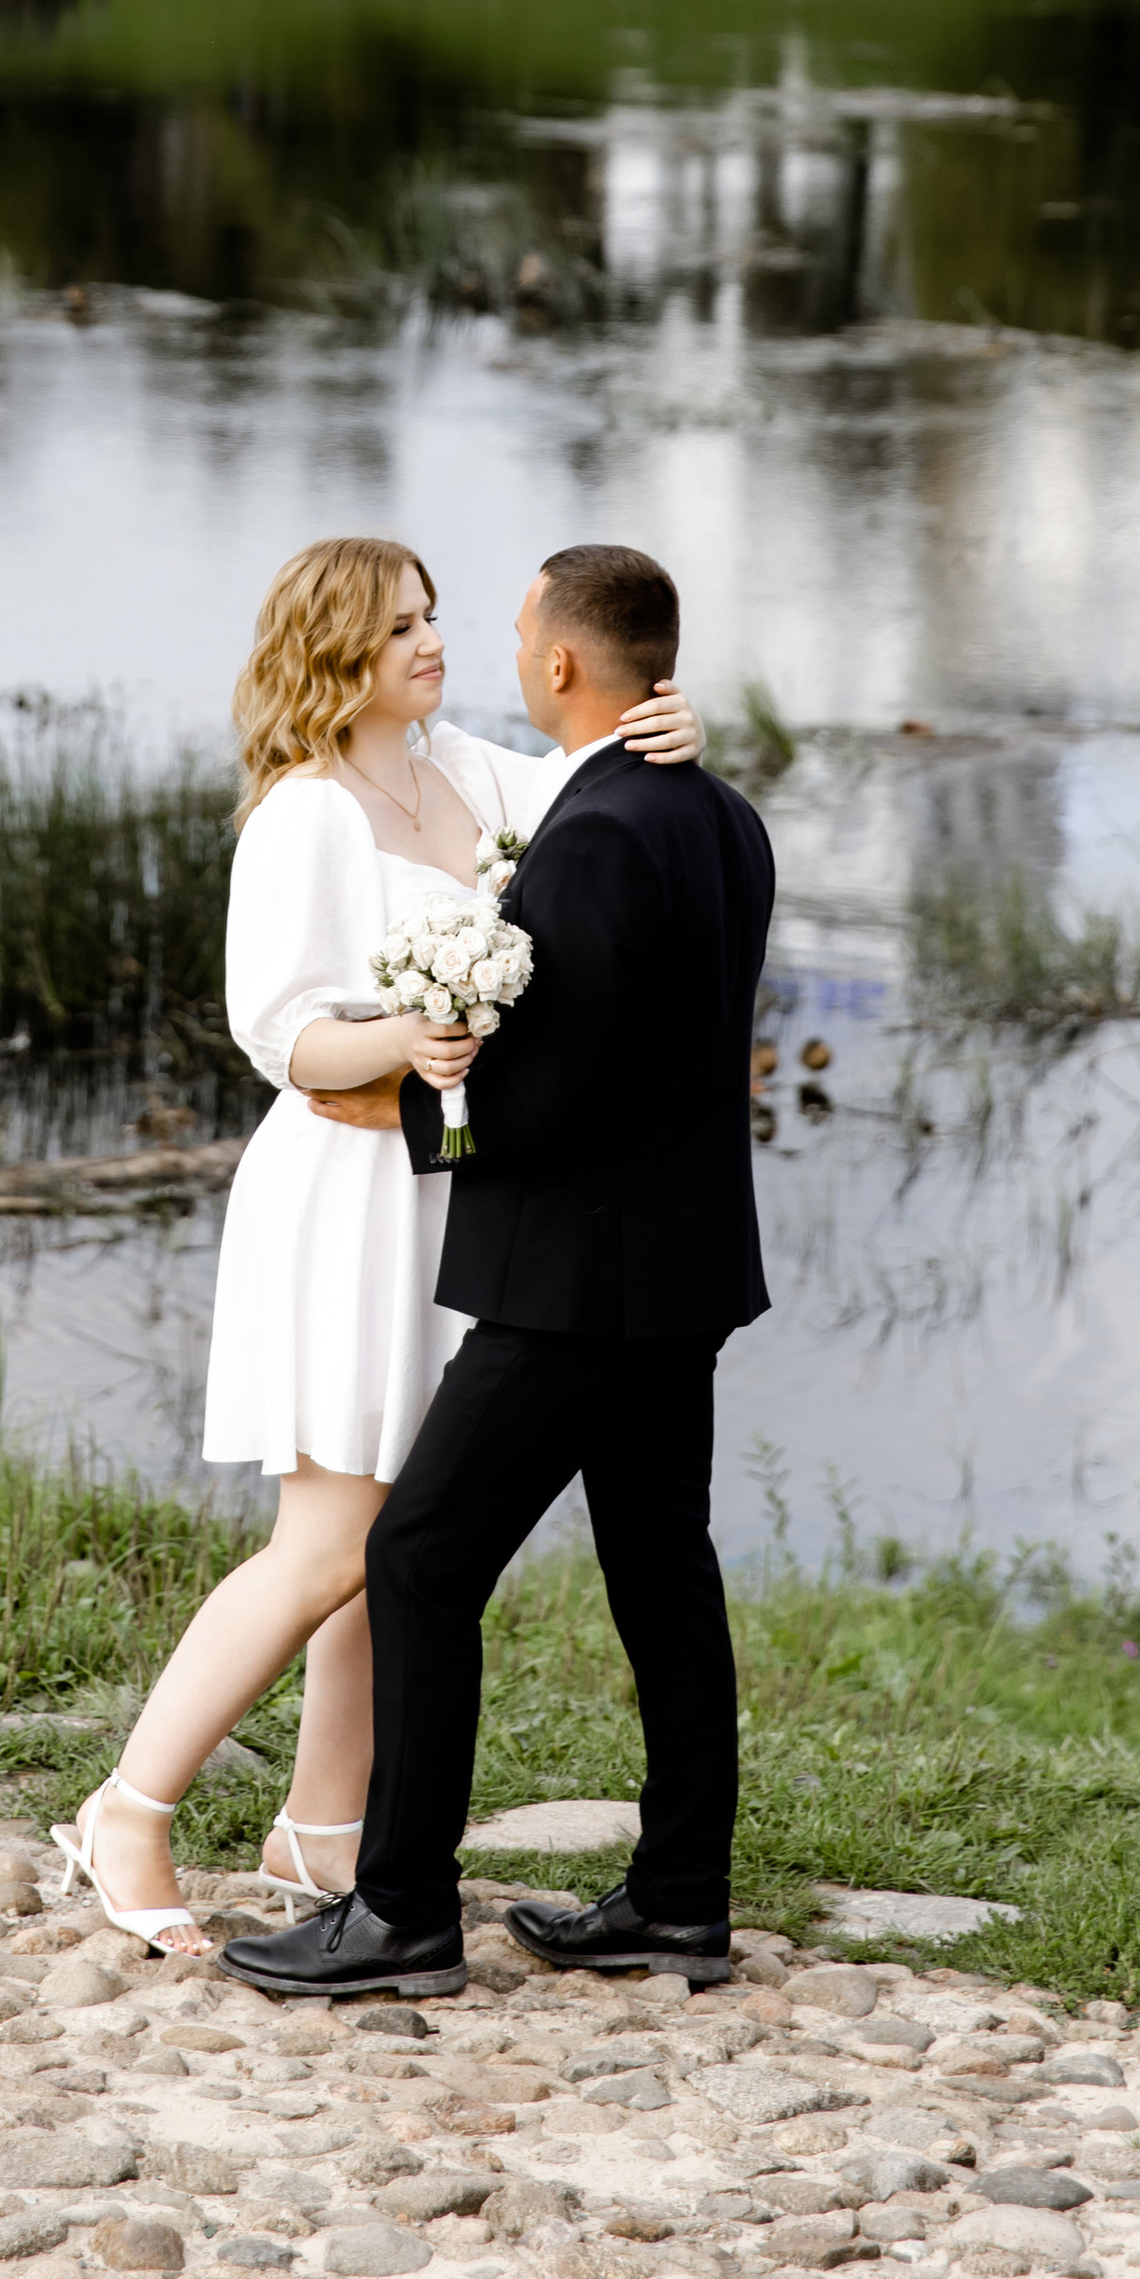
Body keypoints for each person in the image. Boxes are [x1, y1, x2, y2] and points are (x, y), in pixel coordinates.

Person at [50, 534, 703, 1955]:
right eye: (400, 627)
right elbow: (280, 1032)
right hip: (345, 1194)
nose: (432, 642)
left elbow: (597, 801)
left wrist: (672, 731)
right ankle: (131, 1806)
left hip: (457, 1194)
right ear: (335, 651)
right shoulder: (305, 813)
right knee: (329, 1540)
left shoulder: (473, 771)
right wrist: (403, 1039)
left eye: (433, 618)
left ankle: (324, 1823)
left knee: (409, 1527)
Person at [216, 541, 775, 2004]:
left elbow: (559, 1088)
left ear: (564, 667)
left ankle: (399, 1912)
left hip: (577, 1283)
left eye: (515, 629)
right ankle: (680, 1900)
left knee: (417, 1559)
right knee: (665, 1569)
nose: (494, 649)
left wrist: (402, 1105)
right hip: (693, 1267)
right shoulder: (718, 815)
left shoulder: (590, 837)